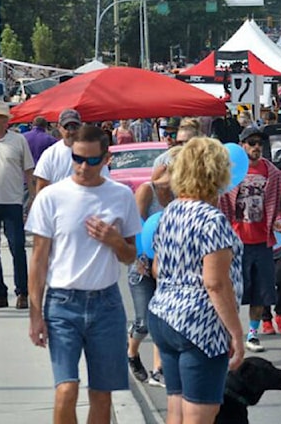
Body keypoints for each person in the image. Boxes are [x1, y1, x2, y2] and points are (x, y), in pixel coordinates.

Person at [26, 125, 143, 424]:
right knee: (66, 389)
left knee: (102, 395)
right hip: (62, 304)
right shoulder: (51, 196)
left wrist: (115, 241)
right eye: (77, 159)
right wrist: (35, 313)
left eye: (92, 161)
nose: (82, 167)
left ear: (106, 159)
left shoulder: (120, 196)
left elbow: (131, 256)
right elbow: (38, 260)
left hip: (106, 304)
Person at [147, 137, 245, 423]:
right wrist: (236, 333)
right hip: (199, 322)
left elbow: (156, 268)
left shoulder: (170, 213)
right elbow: (215, 283)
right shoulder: (212, 220)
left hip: (163, 313)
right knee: (201, 413)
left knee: (176, 406)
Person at [218, 124, 281, 354]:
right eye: (252, 143)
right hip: (236, 243)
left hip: (262, 241)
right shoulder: (230, 172)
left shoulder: (271, 172)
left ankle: (252, 333)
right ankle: (230, 334)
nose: (256, 147)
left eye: (260, 143)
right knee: (231, 292)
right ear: (242, 145)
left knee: (261, 291)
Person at [127, 145, 180, 388]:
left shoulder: (181, 194)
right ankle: (132, 352)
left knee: (162, 318)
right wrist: (139, 260)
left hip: (168, 264)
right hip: (142, 263)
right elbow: (136, 226)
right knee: (144, 323)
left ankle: (159, 370)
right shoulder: (147, 191)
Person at [0, 100, 35, 310]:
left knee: (17, 247)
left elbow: (29, 171)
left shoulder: (18, 141)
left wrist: (32, 199)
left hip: (12, 201)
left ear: (4, 121)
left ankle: (22, 292)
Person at [33, 109, 109, 192]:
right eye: (67, 127)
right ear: (59, 127)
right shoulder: (50, 155)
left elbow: (104, 181)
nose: (72, 131)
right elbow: (41, 187)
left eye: (75, 127)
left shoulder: (92, 152)